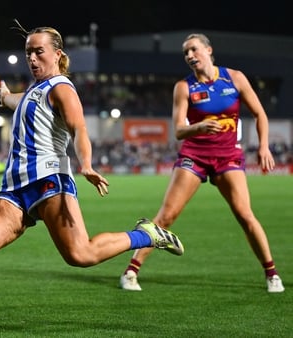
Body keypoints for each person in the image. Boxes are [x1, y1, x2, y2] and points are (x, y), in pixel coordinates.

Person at [0, 22, 184, 338]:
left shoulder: (62, 88)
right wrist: (5, 97)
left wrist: (85, 163)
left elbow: (80, 130)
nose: (31, 58)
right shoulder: (35, 90)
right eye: (28, 52)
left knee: (80, 255)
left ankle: (146, 235)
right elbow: (20, 101)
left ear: (57, 54)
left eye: (38, 51)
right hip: (14, 188)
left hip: (49, 180)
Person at [118, 33, 284, 293]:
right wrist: (199, 127)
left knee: (245, 214)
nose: (189, 56)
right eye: (185, 53)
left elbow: (260, 114)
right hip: (194, 156)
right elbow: (178, 131)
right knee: (167, 216)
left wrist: (263, 147)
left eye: (193, 49)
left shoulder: (235, 78)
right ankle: (131, 271)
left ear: (208, 50)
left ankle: (272, 273)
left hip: (228, 156)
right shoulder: (184, 87)